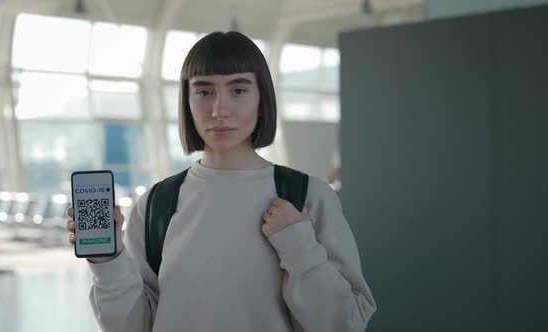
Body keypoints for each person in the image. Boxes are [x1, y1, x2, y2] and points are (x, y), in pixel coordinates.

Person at [66, 31, 376, 332]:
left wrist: (298, 245)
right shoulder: (155, 204)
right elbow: (133, 326)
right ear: (187, 101)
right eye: (204, 91)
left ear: (261, 98)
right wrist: (107, 260)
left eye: (238, 90)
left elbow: (346, 323)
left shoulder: (308, 196)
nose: (219, 110)